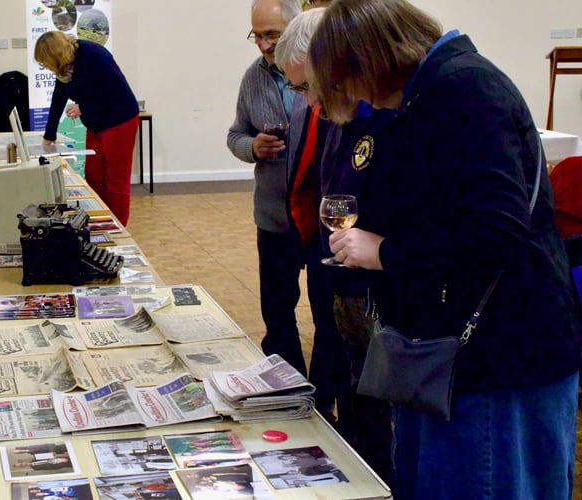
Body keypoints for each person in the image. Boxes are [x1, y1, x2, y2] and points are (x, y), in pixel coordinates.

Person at [307, 1, 582, 498]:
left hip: (501, 357)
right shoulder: (436, 89)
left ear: (368, 61)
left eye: (348, 85)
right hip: (454, 353)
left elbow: (494, 230)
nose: (357, 99)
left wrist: (384, 251)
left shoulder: (462, 89)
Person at [275, 6, 393, 483]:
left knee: (377, 407)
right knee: (346, 377)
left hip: (378, 287)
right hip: (337, 272)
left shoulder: (381, 114)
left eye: (305, 86)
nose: (305, 98)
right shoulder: (335, 114)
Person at [227, 0, 349, 424]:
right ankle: (287, 390)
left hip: (320, 222)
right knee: (277, 312)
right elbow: (235, 134)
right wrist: (252, 147)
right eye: (256, 35)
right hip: (274, 218)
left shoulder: (329, 78)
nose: (263, 44)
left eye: (272, 35)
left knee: (327, 313)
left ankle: (326, 397)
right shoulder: (253, 78)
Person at [34, 31, 139, 226]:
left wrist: (84, 107)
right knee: (94, 175)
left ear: (54, 56)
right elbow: (58, 97)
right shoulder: (64, 68)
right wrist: (50, 133)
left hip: (120, 120)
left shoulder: (94, 56)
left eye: (44, 62)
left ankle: (117, 229)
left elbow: (116, 93)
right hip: (96, 123)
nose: (45, 68)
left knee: (116, 181)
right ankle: (100, 220)